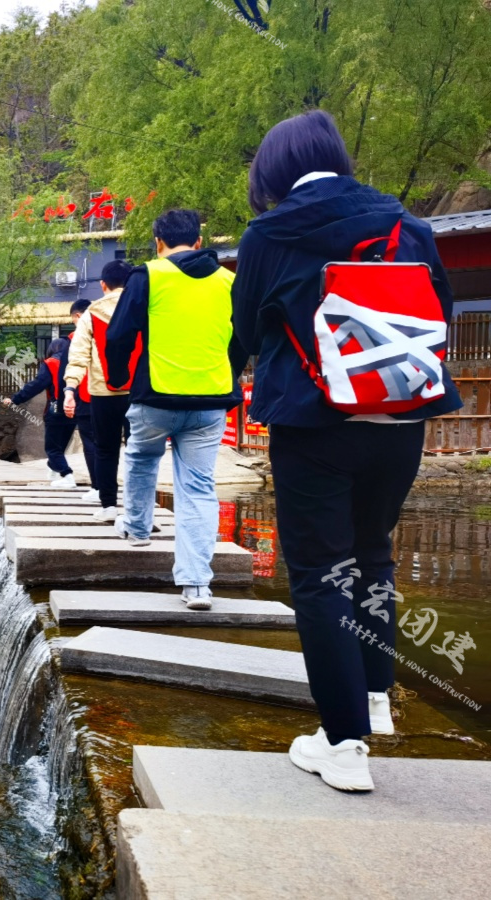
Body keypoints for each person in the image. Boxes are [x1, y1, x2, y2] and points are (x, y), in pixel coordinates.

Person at [232, 110, 458, 791]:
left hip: (315, 424)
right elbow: (439, 313)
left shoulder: (272, 233)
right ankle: (376, 696)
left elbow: (245, 329)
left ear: (273, 172)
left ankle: (342, 744)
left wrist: (236, 375)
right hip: (400, 421)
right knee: (374, 554)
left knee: (321, 573)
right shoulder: (406, 225)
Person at [102, 207, 239, 612]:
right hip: (212, 399)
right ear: (199, 241)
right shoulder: (230, 281)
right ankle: (197, 585)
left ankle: (139, 528)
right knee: (198, 487)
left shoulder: (149, 275)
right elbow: (246, 337)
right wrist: (226, 371)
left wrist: (115, 378)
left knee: (142, 457)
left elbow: (120, 334)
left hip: (156, 396)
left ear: (158, 242)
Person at [65, 261, 136, 521]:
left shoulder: (91, 313)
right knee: (138, 451)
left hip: (103, 393)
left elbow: (79, 355)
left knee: (106, 449)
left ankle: (108, 506)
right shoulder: (144, 307)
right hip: (139, 393)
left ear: (103, 285)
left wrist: (70, 387)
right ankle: (138, 509)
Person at [11, 308, 86, 488]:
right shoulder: (76, 361)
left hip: (55, 409)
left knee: (52, 447)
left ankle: (67, 476)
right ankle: (53, 472)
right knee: (59, 447)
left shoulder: (51, 363)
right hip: (75, 409)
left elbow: (36, 385)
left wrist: (16, 399)